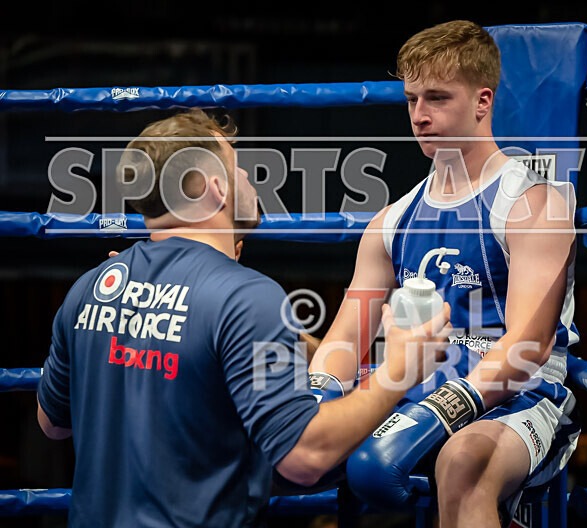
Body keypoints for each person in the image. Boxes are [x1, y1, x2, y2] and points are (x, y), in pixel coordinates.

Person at [36, 109, 451, 527]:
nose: (252, 179)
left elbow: (52, 423)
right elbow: (304, 458)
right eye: (239, 167)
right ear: (216, 188)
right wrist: (399, 368)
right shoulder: (244, 296)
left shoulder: (92, 287)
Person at [309, 21, 580, 527]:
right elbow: (348, 331)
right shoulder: (393, 219)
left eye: (436, 98)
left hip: (519, 396)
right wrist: (319, 390)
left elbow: (530, 345)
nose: (419, 116)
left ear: (482, 102)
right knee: (287, 435)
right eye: (411, 99)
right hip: (416, 384)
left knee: (462, 463)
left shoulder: (531, 204)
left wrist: (438, 411)